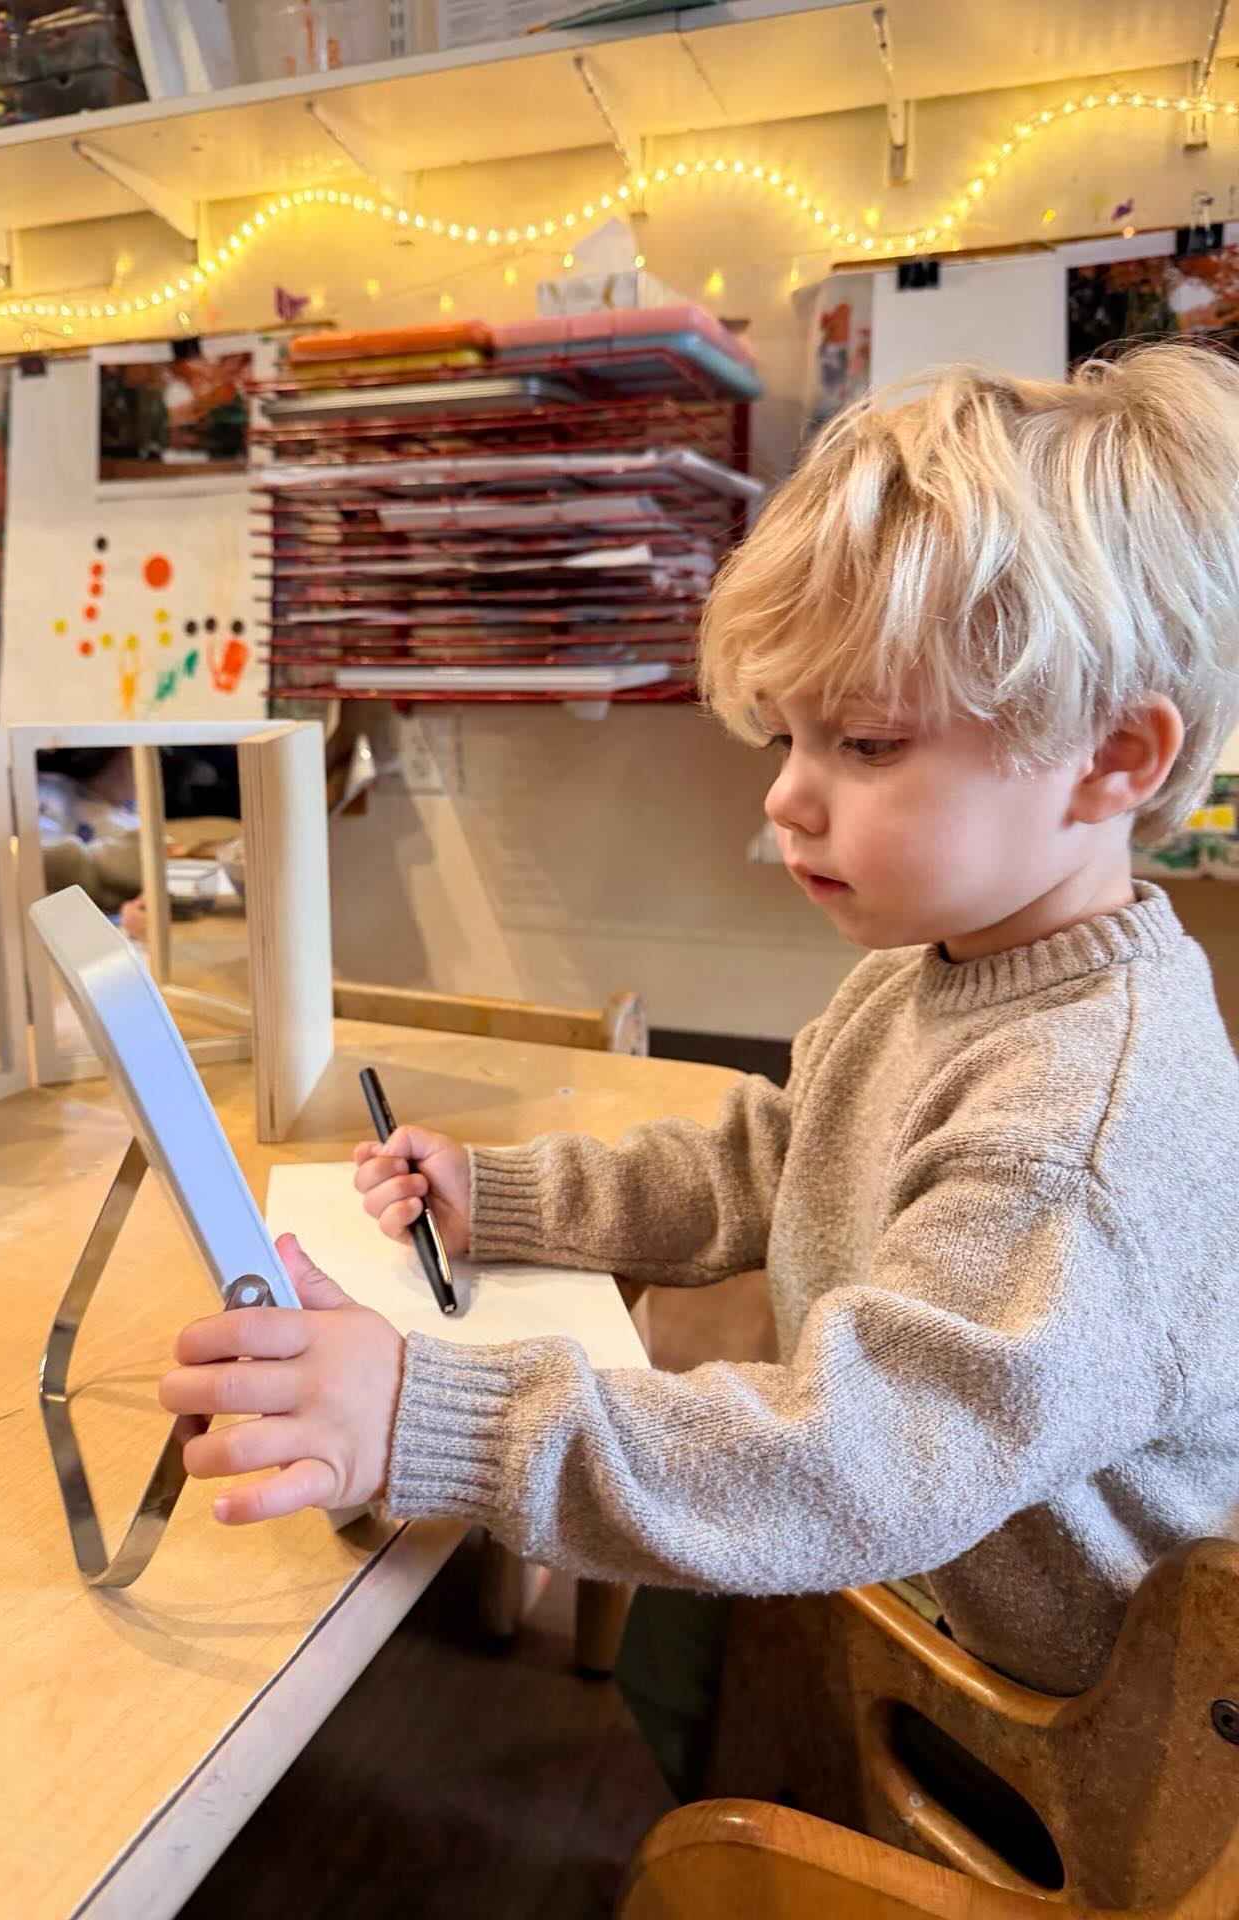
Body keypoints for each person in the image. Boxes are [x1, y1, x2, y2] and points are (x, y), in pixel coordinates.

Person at [159, 343, 1239, 1801]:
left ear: (1113, 756)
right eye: (790, 736)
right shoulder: (935, 969)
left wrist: (428, 1415)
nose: (787, 794)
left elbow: (855, 1464)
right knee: (675, 1645)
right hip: (922, 1584)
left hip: (1049, 1739)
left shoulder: (1076, 1133)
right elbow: (777, 1163)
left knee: (692, 1672)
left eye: (866, 742)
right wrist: (506, 1200)